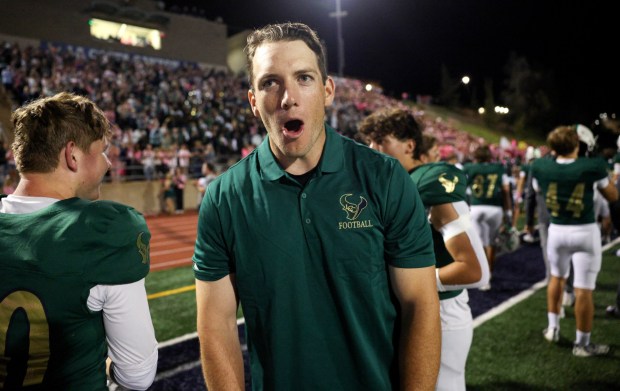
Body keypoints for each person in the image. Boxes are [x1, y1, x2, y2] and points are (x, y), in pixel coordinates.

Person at [193, 22, 440, 390]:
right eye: (269, 82)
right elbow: (216, 326)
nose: (287, 97)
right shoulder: (225, 198)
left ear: (327, 90)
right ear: (253, 102)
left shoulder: (384, 178)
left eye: (304, 78)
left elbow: (420, 304)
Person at [0, 92, 158, 390]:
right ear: (72, 155)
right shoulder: (104, 230)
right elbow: (137, 375)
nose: (108, 163)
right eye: (102, 151)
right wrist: (107, 365)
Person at [359, 108, 489, 391]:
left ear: (409, 145)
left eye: (381, 140)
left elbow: (475, 270)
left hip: (439, 312)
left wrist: (418, 285)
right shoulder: (388, 185)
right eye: (369, 141)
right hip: (400, 310)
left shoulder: (429, 182)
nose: (372, 148)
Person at [531, 125, 617, 357]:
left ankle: (553, 328)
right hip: (585, 231)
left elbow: (538, 189)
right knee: (583, 290)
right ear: (577, 144)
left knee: (556, 278)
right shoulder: (592, 166)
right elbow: (613, 195)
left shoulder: (539, 166)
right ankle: (582, 344)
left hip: (557, 230)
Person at [462, 145, 512, 290]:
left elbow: (462, 188)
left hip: (476, 207)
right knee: (491, 243)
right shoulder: (498, 168)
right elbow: (506, 190)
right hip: (495, 208)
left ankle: (484, 277)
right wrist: (508, 211)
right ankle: (489, 273)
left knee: (479, 243)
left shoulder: (469, 168)